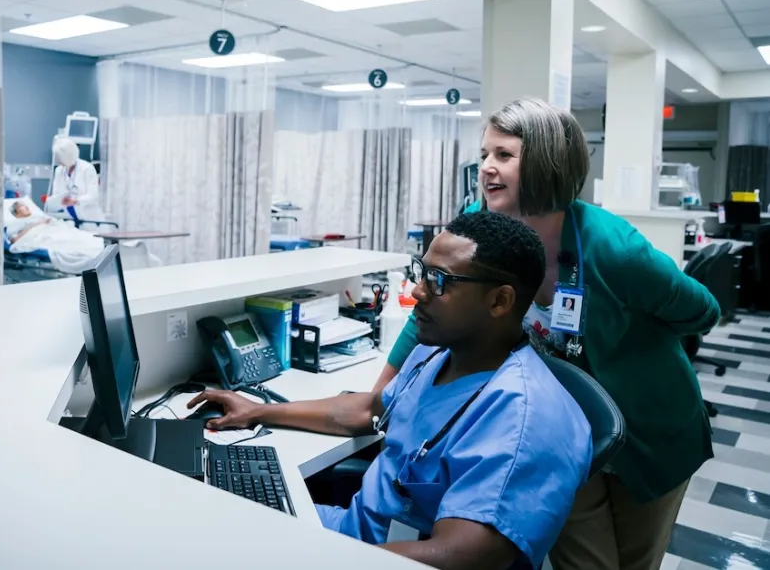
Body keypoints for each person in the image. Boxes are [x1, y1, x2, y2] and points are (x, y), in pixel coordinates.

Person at [380, 98, 721, 570]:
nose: (486, 168)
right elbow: (429, 301)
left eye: (504, 154)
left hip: (652, 429)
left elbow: (702, 311)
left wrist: (633, 344)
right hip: (564, 430)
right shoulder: (482, 225)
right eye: (484, 155)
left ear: (545, 161)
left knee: (634, 563)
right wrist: (383, 388)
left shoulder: (614, 250)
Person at [191, 211, 592, 570]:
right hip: (352, 533)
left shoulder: (524, 418)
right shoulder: (436, 354)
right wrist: (256, 411)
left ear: (500, 301)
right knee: (208, 511)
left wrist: (316, 556)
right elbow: (368, 409)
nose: (418, 291)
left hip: (375, 558)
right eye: (421, 272)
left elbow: (463, 556)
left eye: (438, 282)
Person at [49, 136, 104, 221]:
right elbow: (56, 194)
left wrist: (76, 201)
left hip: (89, 217)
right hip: (69, 216)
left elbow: (93, 196)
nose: (58, 160)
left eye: (60, 157)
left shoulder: (87, 168)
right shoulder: (59, 171)